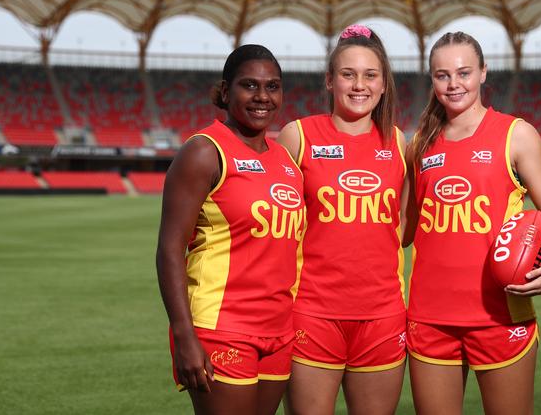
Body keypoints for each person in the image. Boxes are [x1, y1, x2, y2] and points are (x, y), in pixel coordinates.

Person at [403, 31, 541, 414]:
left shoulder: (517, 135)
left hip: (499, 316)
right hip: (429, 319)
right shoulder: (419, 145)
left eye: (464, 72)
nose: (453, 84)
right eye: (442, 75)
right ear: (431, 79)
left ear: (484, 72)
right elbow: (404, 230)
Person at [155, 44, 306, 415]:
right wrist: (183, 334)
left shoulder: (285, 159)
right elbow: (170, 248)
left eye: (273, 87)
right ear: (225, 92)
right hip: (222, 327)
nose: (262, 97)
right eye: (249, 85)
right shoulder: (204, 151)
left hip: (279, 331)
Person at [278, 24, 408, 415]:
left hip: (382, 316)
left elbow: (400, 226)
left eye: (370, 75)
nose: (359, 85)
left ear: (384, 84)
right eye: (348, 74)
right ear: (330, 80)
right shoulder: (297, 136)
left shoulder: (399, 142)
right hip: (312, 313)